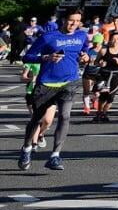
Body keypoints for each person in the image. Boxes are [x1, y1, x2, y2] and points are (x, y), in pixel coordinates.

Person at [18, 9, 91, 172]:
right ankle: (27, 149)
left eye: (78, 21)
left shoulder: (81, 36)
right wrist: (45, 58)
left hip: (70, 82)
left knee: (65, 117)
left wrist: (86, 57)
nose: (74, 24)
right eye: (71, 20)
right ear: (64, 20)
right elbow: (26, 56)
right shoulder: (48, 37)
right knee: (37, 120)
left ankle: (55, 156)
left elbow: (84, 51)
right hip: (47, 83)